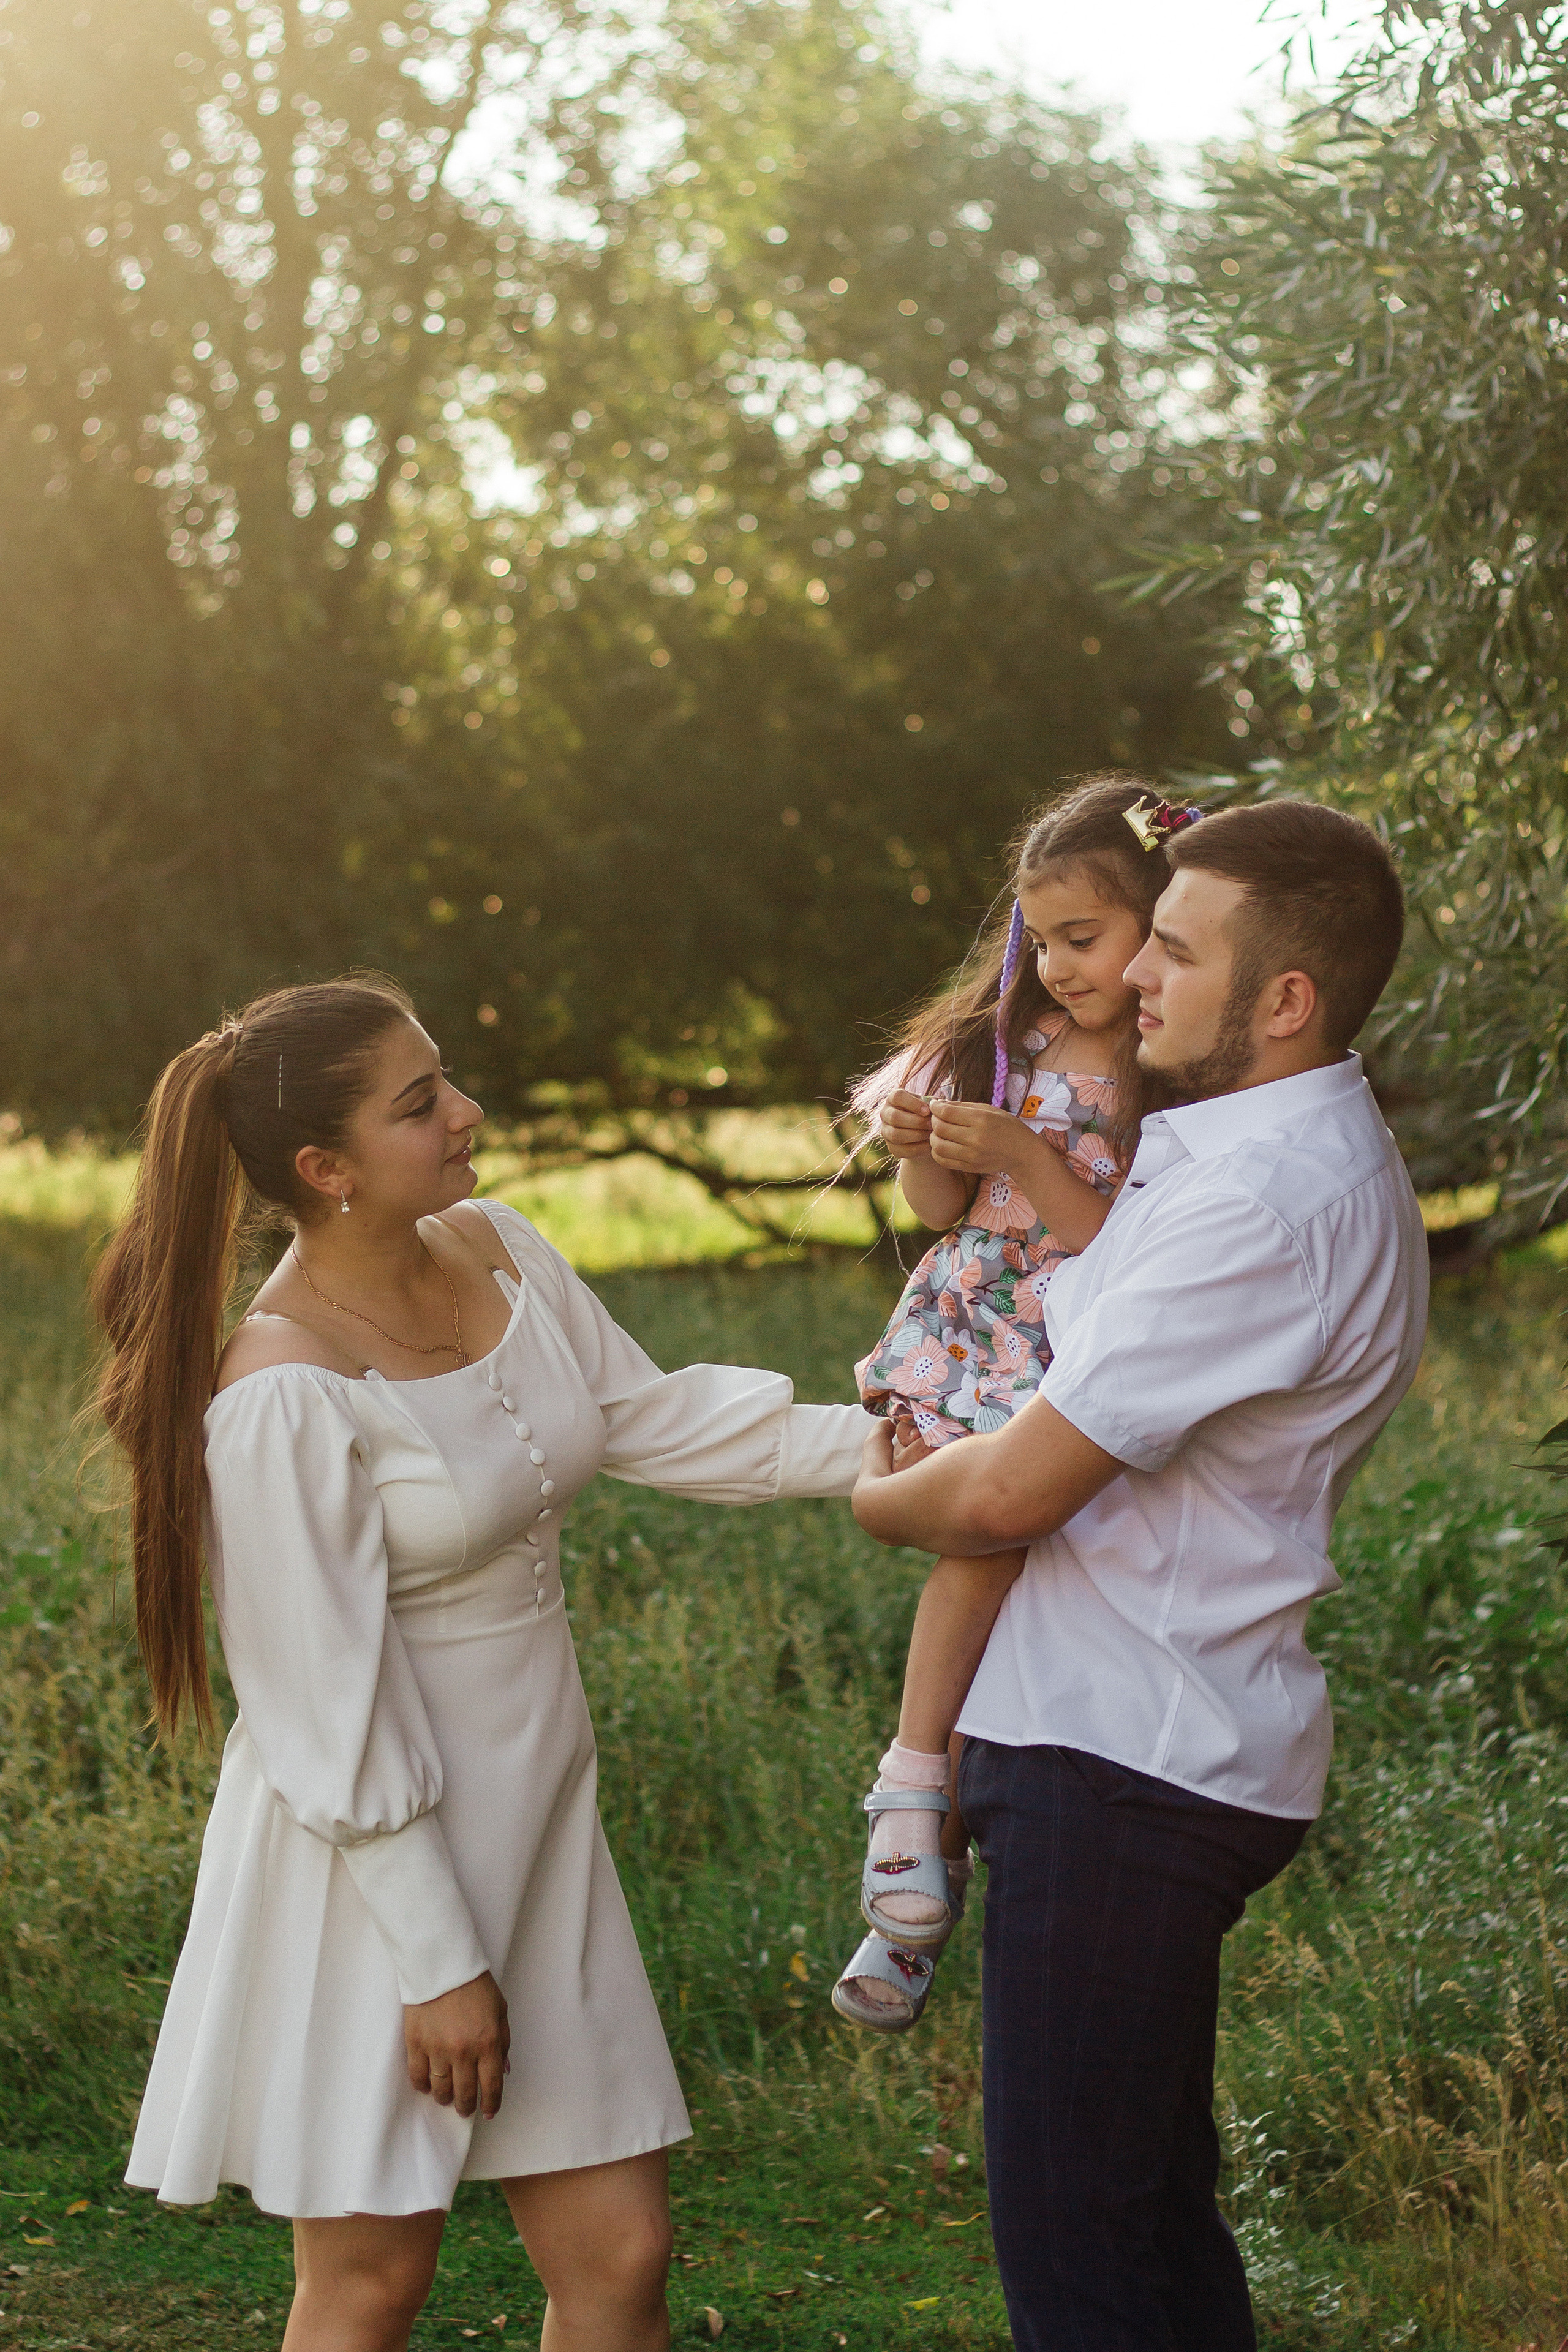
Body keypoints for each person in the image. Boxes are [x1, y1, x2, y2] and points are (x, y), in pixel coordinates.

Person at [95, 976, 872, 2352]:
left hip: (542, 1831)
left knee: (622, 2258)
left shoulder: (501, 1248)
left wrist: (913, 1445)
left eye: (444, 1077)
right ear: (325, 1171)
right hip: (377, 1877)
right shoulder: (279, 1390)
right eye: (418, 1104)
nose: (465, 1114)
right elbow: (316, 1701)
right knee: (371, 2287)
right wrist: (439, 1961)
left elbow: (654, 1418)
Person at [850, 801, 1428, 2351]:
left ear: (1285, 999)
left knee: (1081, 2264)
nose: (1135, 976)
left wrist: (877, 1499)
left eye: (1177, 947)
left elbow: (1017, 1484)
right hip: (1142, 1743)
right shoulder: (1248, 1158)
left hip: (1127, 1760)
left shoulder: (1258, 1198)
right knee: (1148, 2236)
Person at [832, 776, 1186, 2032]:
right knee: (983, 1560)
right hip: (976, 1331)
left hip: (1072, 1339)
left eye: (1083, 936)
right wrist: (924, 1145)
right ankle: (915, 1835)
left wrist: (1027, 1158)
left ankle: (915, 1844)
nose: (1055, 963)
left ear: (1161, 919)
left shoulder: (1164, 1073)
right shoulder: (1005, 1042)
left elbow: (1108, 1247)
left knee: (1010, 1593)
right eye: (1038, 938)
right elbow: (935, 1216)